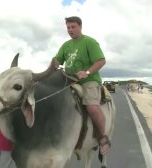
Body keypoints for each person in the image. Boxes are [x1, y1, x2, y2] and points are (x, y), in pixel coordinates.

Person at [53, 16, 110, 155]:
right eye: (68, 27)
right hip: (69, 80)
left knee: (91, 107)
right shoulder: (66, 45)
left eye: (73, 27)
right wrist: (53, 64)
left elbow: (101, 61)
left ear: (80, 27)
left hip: (89, 80)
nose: (70, 30)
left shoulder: (89, 42)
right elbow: (57, 60)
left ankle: (103, 138)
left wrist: (87, 72)